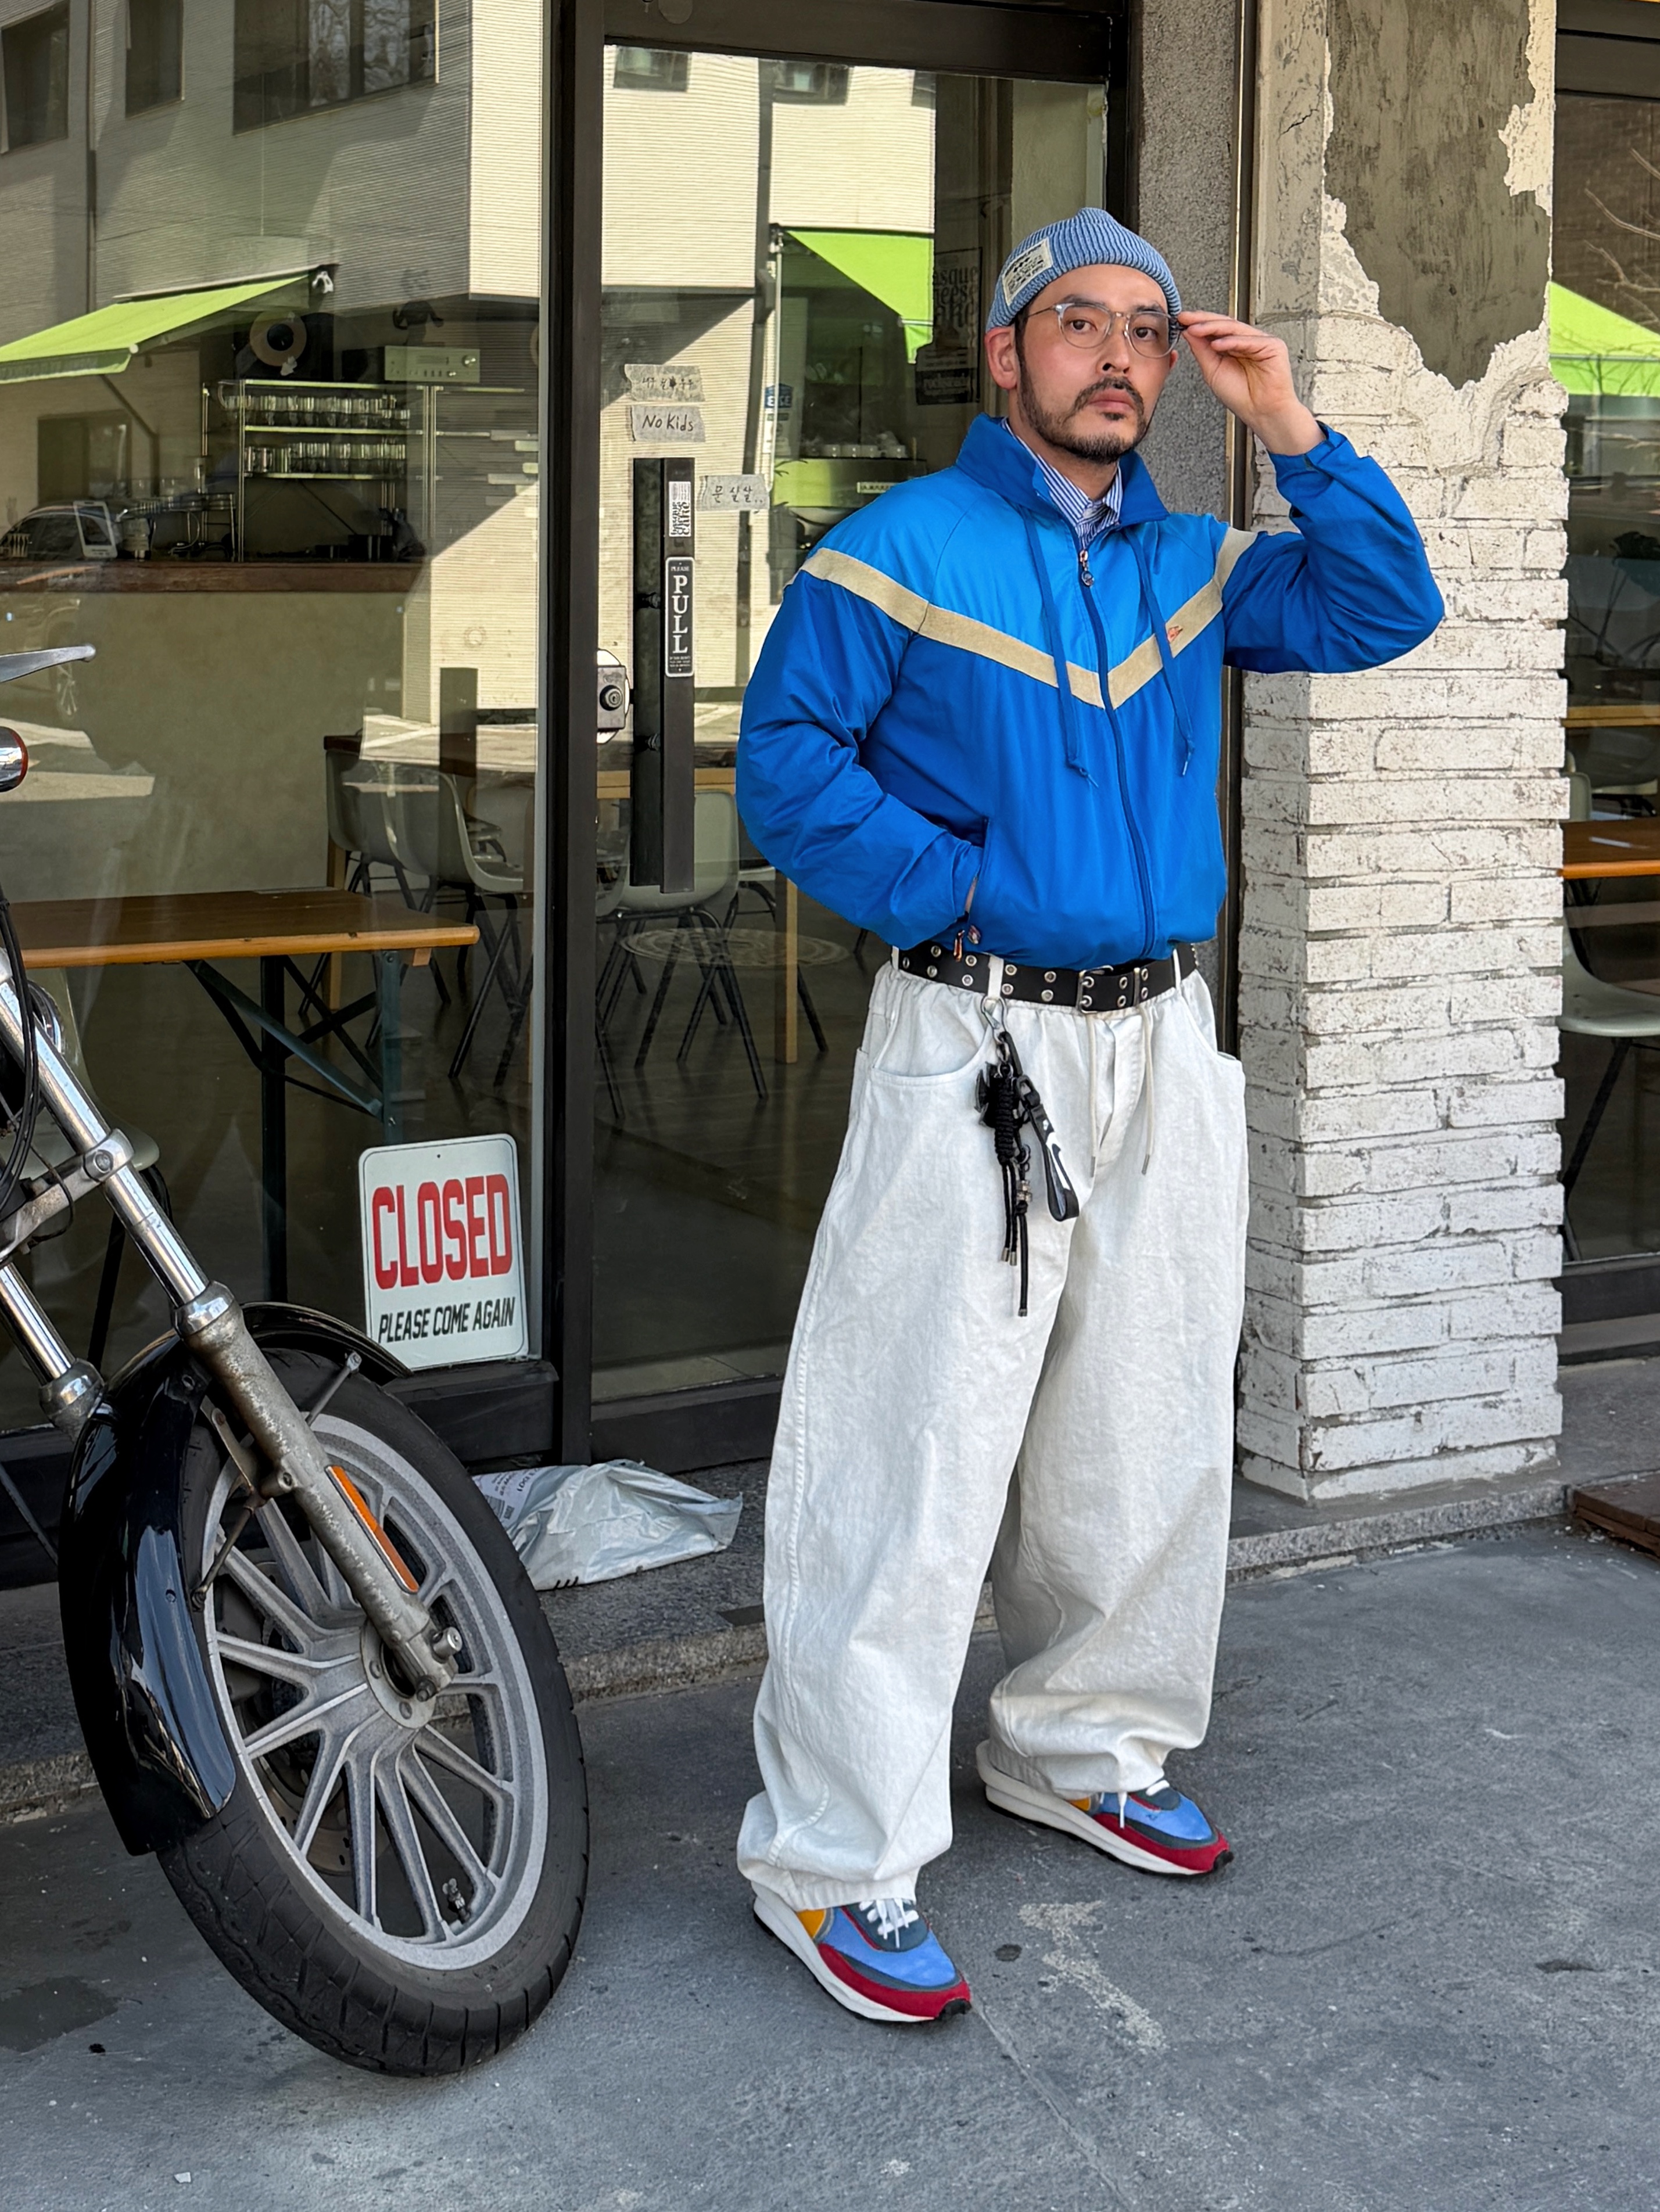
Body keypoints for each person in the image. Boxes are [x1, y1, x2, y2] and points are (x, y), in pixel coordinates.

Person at [733, 206, 1443, 2027]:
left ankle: (1079, 1745)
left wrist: (1290, 423)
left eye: (1144, 329)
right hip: (974, 1042)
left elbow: (1383, 605)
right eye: (1078, 326)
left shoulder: (1200, 562)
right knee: (912, 1449)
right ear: (1005, 355)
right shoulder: (892, 550)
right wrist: (953, 892)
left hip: (1158, 1041)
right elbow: (786, 770)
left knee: (1139, 1425)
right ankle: (834, 1852)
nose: (1117, 356)